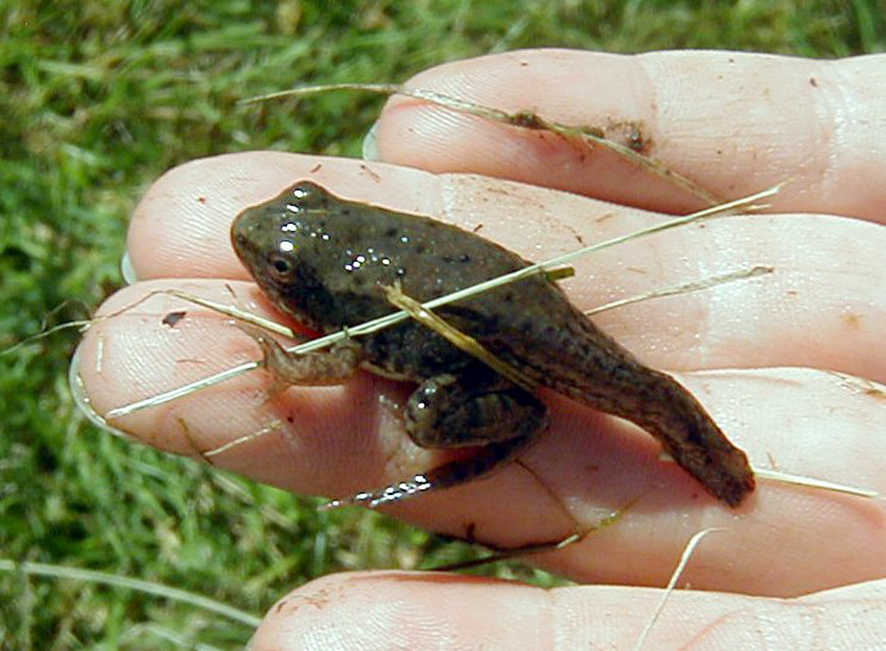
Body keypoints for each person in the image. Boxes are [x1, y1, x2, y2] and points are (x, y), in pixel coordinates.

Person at [74, 49, 886, 647]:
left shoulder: (341, 315)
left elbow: (338, 357)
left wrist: (286, 367)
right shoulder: (351, 268)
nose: (260, 252)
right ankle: (687, 454)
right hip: (514, 302)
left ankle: (537, 422)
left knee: (430, 417)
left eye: (281, 266)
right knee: (640, 391)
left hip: (499, 331)